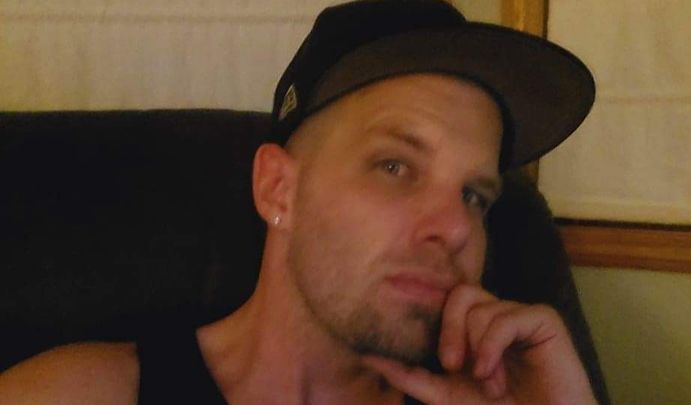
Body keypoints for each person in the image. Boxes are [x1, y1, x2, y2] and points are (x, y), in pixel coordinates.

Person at [0, 0, 598, 404]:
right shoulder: (81, 393)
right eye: (394, 166)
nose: (456, 228)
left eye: (474, 195)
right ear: (276, 188)